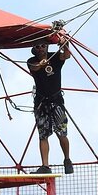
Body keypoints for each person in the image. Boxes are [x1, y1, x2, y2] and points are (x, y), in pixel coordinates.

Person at [27, 39, 73, 174]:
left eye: (43, 46)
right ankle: (45, 166)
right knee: (43, 135)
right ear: (34, 49)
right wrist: (41, 64)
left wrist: (65, 44)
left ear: (47, 46)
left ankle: (67, 159)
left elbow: (67, 55)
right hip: (42, 103)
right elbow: (34, 67)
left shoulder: (55, 57)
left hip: (57, 102)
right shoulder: (31, 60)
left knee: (62, 133)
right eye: (38, 46)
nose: (41, 48)